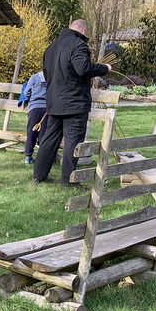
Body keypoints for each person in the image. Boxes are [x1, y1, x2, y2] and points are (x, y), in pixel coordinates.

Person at [32, 19, 111, 186]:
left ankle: (39, 176)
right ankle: (69, 181)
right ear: (83, 30)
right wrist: (103, 68)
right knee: (72, 142)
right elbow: (83, 68)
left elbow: (46, 75)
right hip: (74, 103)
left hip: (54, 101)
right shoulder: (79, 45)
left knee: (50, 139)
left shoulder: (51, 47)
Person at [18, 70, 47, 165]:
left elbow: (26, 93)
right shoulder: (53, 77)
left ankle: (28, 156)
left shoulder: (34, 77)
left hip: (34, 108)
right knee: (44, 134)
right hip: (47, 110)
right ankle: (43, 158)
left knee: (31, 132)